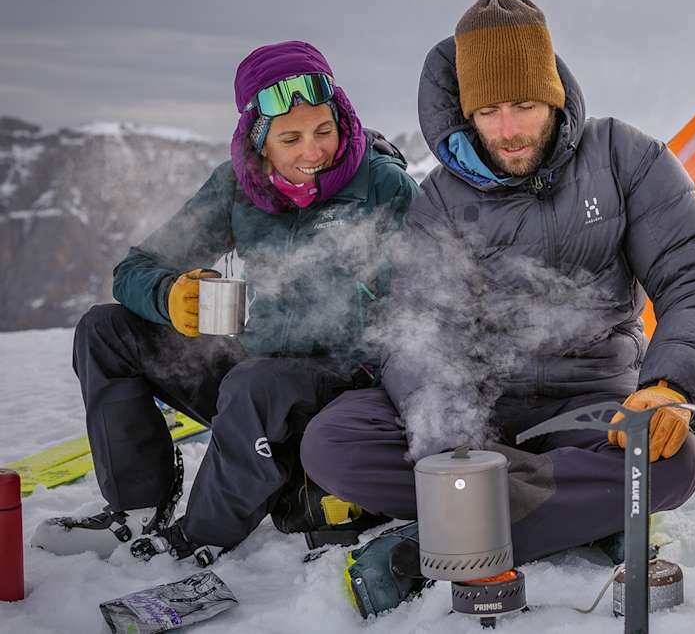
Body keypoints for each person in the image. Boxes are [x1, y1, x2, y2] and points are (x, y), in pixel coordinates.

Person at [300, 0, 695, 601]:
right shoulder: (442, 200)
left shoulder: (625, 158)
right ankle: (580, 512)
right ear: (466, 111)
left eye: (525, 105)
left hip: (593, 404)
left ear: (554, 94)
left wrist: (668, 385)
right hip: (478, 410)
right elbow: (416, 328)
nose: (508, 131)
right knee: (334, 443)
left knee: (672, 463)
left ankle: (433, 546)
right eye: (489, 111)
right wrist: (450, 439)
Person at [33, 40, 419, 566]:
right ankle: (138, 507)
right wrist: (170, 295)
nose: (313, 152)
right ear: (260, 144)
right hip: (253, 374)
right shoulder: (236, 188)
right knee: (106, 330)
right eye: (291, 138)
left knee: (254, 382)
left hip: (341, 388)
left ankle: (199, 535)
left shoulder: (385, 188)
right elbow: (134, 268)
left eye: (324, 131)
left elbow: (433, 306)